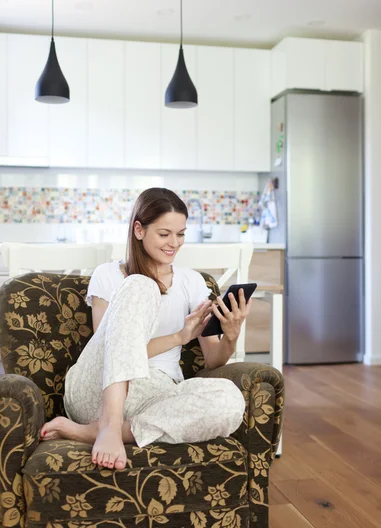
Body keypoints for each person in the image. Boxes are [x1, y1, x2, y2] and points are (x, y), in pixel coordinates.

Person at [41, 187, 251, 471]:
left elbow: (214, 360)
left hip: (155, 396)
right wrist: (178, 337)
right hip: (100, 390)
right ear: (138, 230)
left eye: (180, 234)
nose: (173, 244)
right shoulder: (109, 275)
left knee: (229, 401)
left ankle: (91, 432)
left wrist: (232, 334)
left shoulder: (192, 282)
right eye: (164, 234)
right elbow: (112, 353)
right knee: (142, 285)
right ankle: (109, 422)